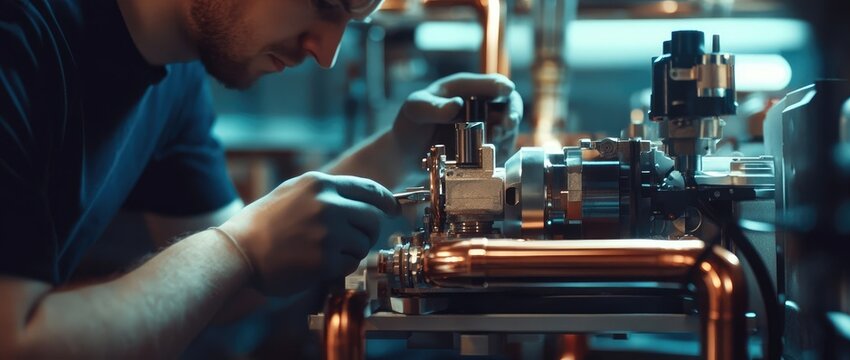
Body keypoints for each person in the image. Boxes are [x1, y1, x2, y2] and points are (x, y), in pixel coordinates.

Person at [0, 0, 522, 357]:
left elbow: (225, 290)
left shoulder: (173, 75)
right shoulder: (18, 39)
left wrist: (399, 147)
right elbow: (18, 343)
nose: (326, 53)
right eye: (324, 3)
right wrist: (236, 248)